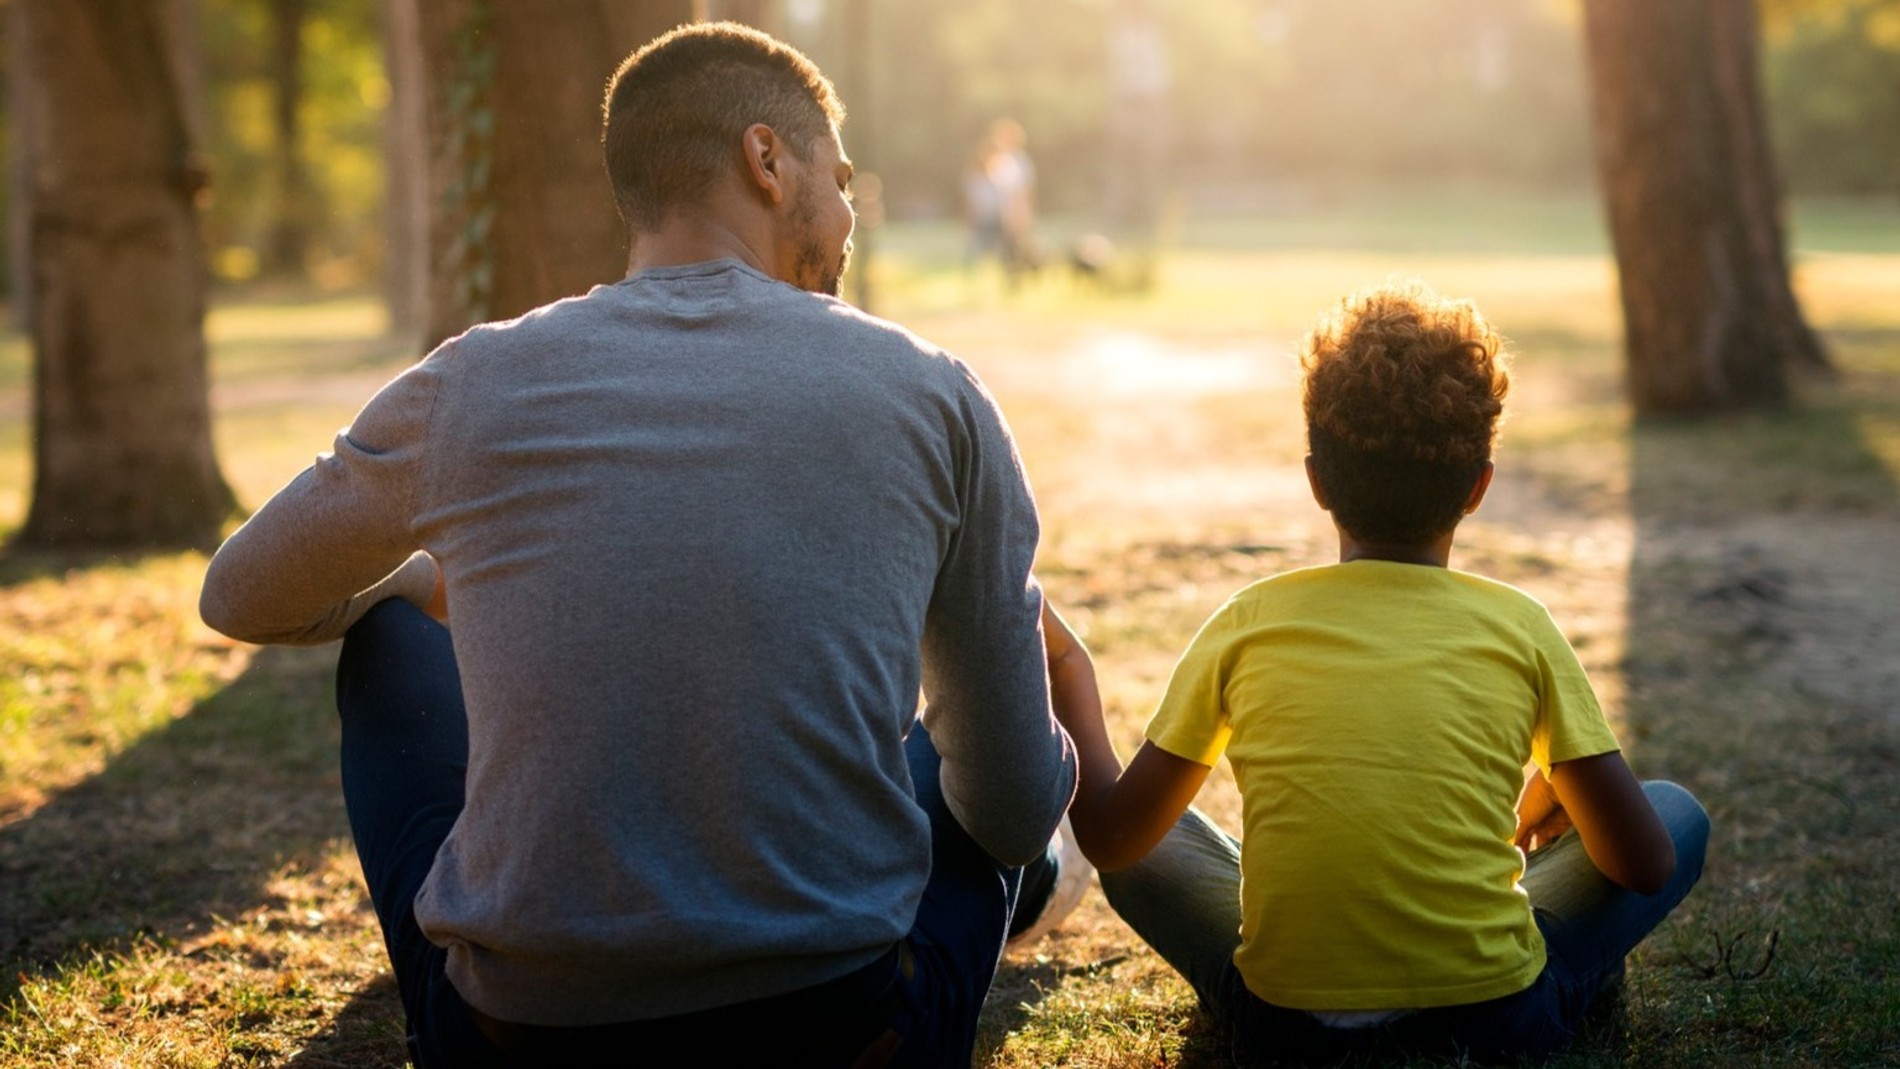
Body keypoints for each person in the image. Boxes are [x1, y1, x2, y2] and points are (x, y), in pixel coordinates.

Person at [198, 23, 1080, 1068]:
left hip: (517, 1040)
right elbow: (1013, 807)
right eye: (841, 181)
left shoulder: (470, 383)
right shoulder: (932, 390)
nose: (848, 219)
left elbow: (239, 594)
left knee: (388, 639)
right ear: (767, 158)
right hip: (846, 1036)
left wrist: (433, 577)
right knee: (974, 763)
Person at [1039, 280, 1709, 1066]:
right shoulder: (1520, 627)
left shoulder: (1248, 621)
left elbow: (1115, 841)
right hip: (1490, 1023)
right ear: (1479, 486)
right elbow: (1644, 861)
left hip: (1288, 1030)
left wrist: (1068, 669)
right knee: (1671, 811)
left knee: (1158, 840)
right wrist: (1563, 782)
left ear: (1316, 480)